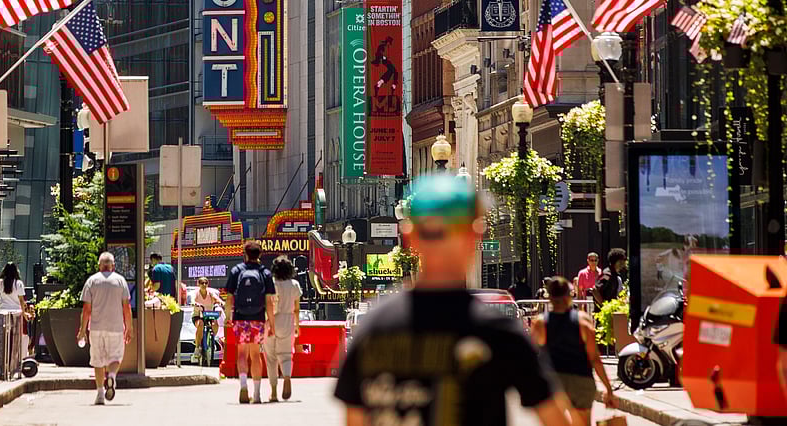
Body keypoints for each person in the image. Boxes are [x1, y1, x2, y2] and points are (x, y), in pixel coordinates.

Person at [335, 174, 573, 426]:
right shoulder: (497, 332)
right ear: (475, 237)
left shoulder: (372, 328)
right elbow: (555, 418)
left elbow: (354, 420)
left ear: (410, 237)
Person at [530, 276, 619, 423]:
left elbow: (530, 356)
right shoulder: (583, 321)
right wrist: (608, 389)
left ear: (549, 297)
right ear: (569, 296)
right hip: (581, 380)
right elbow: (595, 358)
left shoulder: (540, 323)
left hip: (553, 381)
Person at [77, 252, 133, 405]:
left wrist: (82, 330)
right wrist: (129, 327)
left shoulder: (92, 281)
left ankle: (100, 394)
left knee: (98, 361)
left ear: (99, 265)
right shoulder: (120, 281)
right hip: (116, 327)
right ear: (113, 265)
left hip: (96, 327)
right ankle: (112, 376)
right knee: (116, 358)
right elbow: (126, 307)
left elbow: (86, 309)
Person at [225, 240, 276, 404]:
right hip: (258, 318)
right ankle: (257, 393)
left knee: (241, 354)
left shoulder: (236, 270)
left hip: (240, 317)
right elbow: (269, 302)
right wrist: (271, 323)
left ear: (245, 254)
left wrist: (227, 316)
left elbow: (229, 298)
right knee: (255, 355)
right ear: (260, 254)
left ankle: (243, 386)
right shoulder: (265, 273)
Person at [264, 255, 302, 403]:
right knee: (286, 355)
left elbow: (267, 305)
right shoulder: (294, 284)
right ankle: (286, 377)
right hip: (288, 320)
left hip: (271, 320)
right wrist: (297, 326)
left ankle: (273, 392)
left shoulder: (271, 284)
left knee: (271, 357)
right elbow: (297, 309)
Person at [0, 263, 31, 356]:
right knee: (16, 336)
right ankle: (16, 356)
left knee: (5, 335)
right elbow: (21, 300)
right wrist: (24, 313)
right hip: (16, 313)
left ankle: (4, 354)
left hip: (3, 311)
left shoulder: (0, 283)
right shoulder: (18, 283)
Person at [191, 276, 224, 365]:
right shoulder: (196, 293)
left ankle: (211, 340)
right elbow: (193, 300)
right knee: (200, 324)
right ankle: (197, 348)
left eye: (206, 283)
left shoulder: (211, 293)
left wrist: (220, 302)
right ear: (198, 284)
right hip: (198, 315)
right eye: (202, 283)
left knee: (215, 324)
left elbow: (216, 298)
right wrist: (195, 304)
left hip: (209, 314)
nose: (204, 285)